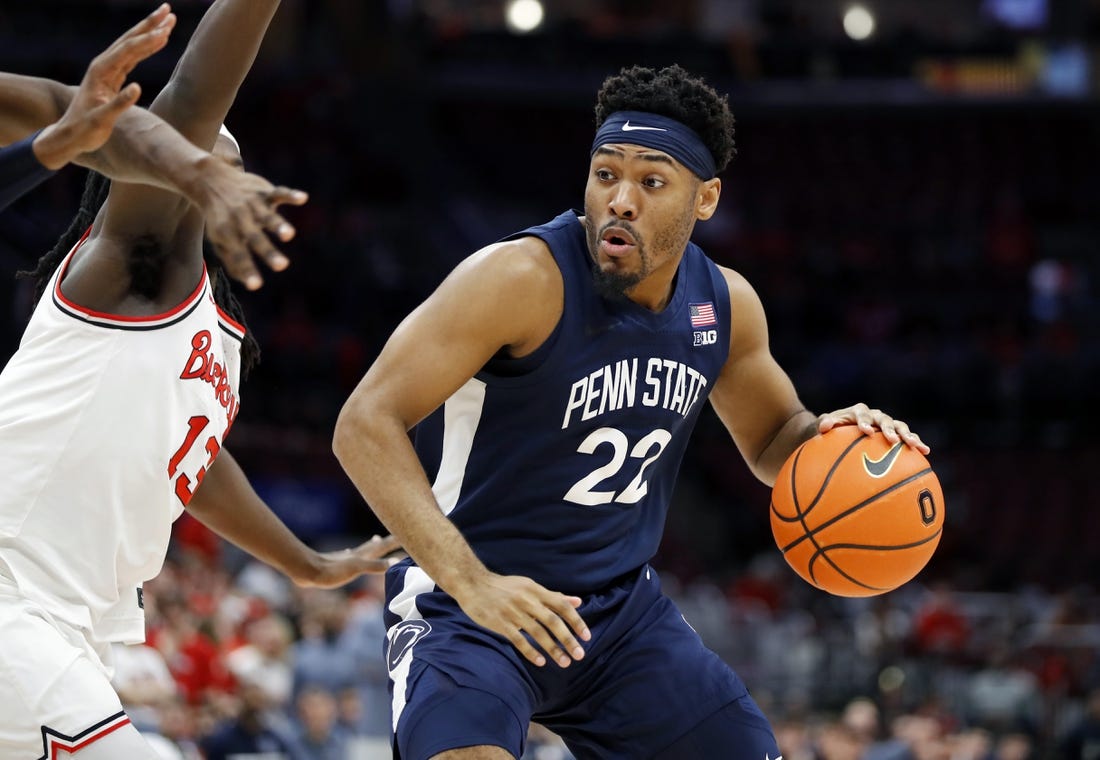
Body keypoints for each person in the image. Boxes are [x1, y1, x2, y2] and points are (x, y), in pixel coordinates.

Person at [333, 63, 929, 759]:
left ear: (704, 199)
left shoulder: (723, 307)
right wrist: (472, 581)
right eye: (605, 174)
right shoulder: (520, 280)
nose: (619, 200)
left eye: (651, 182)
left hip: (616, 618)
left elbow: (775, 440)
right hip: (468, 606)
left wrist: (834, 438)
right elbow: (362, 424)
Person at [0, 1, 396, 758]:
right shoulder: (124, 270)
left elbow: (194, 465)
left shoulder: (209, 338)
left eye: (221, 158)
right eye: (185, 157)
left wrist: (307, 564)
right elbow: (185, 104)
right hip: (14, 597)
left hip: (69, 629)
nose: (197, 164)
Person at [0, 4, 301, 283]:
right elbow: (190, 103)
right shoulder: (130, 258)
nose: (232, 188)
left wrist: (54, 144)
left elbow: (72, 115)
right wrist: (199, 171)